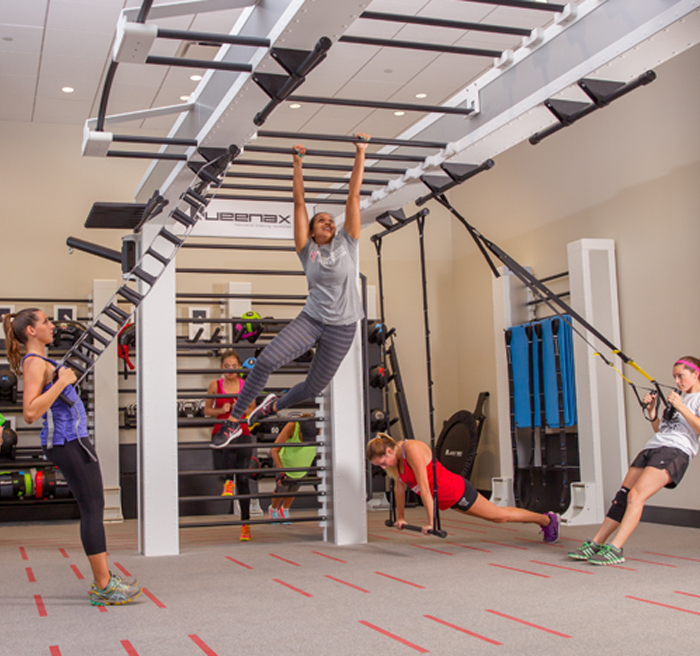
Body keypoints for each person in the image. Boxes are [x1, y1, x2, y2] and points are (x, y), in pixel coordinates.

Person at [220, 134, 370, 437]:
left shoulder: (348, 242)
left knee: (314, 388)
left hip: (343, 327)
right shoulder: (307, 250)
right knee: (266, 362)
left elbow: (353, 197)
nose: (328, 223)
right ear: (312, 232)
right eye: (321, 221)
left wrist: (361, 152)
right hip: (312, 320)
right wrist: (297, 164)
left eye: (331, 220)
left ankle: (274, 406)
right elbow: (300, 202)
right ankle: (235, 421)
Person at [3, 308, 141, 606]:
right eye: (45, 322)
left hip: (74, 440)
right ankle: (103, 585)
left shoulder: (43, 360)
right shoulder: (33, 363)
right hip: (65, 442)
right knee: (92, 509)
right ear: (30, 331)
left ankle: (104, 579)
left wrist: (62, 378)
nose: (52, 326)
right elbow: (29, 412)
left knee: (96, 507)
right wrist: (64, 382)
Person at [569, 356, 700, 565]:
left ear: (695, 374)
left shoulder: (694, 400)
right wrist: (652, 411)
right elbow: (661, 429)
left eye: (680, 376)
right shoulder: (678, 399)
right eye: (674, 377)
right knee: (623, 496)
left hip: (675, 452)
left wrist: (682, 407)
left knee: (636, 496)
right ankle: (597, 542)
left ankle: (616, 548)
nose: (676, 381)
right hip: (654, 446)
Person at [367, 433, 560, 541]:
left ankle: (546, 520)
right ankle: (545, 520)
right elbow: (399, 489)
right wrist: (400, 517)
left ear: (389, 450)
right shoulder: (396, 464)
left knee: (499, 516)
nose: (384, 467)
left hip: (456, 491)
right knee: (497, 515)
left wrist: (431, 522)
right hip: (448, 500)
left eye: (383, 461)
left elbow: (425, 488)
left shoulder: (412, 449)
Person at [204, 349, 256, 541]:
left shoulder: (246, 384)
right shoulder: (214, 385)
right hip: (221, 431)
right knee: (225, 448)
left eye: (234, 366)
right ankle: (228, 480)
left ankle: (245, 526)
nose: (231, 369)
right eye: (227, 366)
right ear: (221, 368)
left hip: (242, 431)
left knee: (244, 480)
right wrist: (220, 410)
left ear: (239, 367)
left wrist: (238, 408)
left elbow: (252, 407)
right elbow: (207, 410)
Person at [269, 418, 317, 524]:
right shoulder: (292, 426)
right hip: (285, 465)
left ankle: (284, 510)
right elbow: (274, 450)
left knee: (293, 491)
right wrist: (281, 472)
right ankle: (273, 509)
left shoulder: (318, 428)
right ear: (299, 429)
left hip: (302, 467)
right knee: (281, 490)